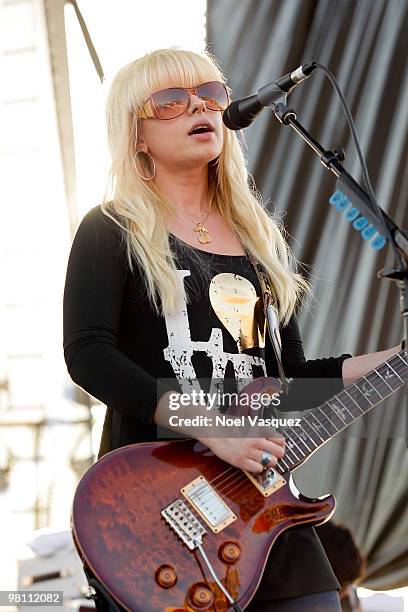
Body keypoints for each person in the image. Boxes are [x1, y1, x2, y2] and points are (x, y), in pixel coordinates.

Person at [63, 47, 403, 611]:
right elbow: (88, 354)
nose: (199, 105)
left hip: (264, 504)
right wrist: (213, 429)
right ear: (137, 134)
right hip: (155, 509)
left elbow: (291, 379)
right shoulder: (110, 228)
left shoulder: (260, 240)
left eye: (211, 94)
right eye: (171, 101)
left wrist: (395, 357)